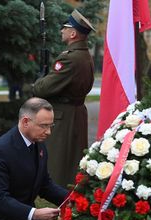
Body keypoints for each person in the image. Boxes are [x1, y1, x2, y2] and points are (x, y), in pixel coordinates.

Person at [32, 9, 95, 188]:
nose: (62, 31)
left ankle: (61, 200)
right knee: (72, 161)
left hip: (64, 116)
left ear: (73, 33)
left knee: (60, 164)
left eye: (65, 28)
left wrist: (37, 83)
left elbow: (43, 88)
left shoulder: (70, 58)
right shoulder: (84, 55)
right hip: (75, 112)